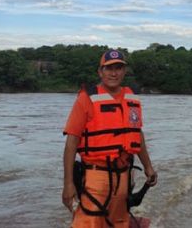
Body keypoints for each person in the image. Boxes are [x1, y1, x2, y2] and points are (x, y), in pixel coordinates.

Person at [62, 49, 158, 227]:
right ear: (100, 71)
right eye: (109, 68)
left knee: (118, 223)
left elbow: (137, 135)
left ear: (124, 71)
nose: (114, 73)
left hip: (123, 176)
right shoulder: (86, 99)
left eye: (118, 68)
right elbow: (71, 142)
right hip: (95, 176)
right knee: (87, 222)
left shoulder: (131, 98)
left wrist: (148, 166)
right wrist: (68, 184)